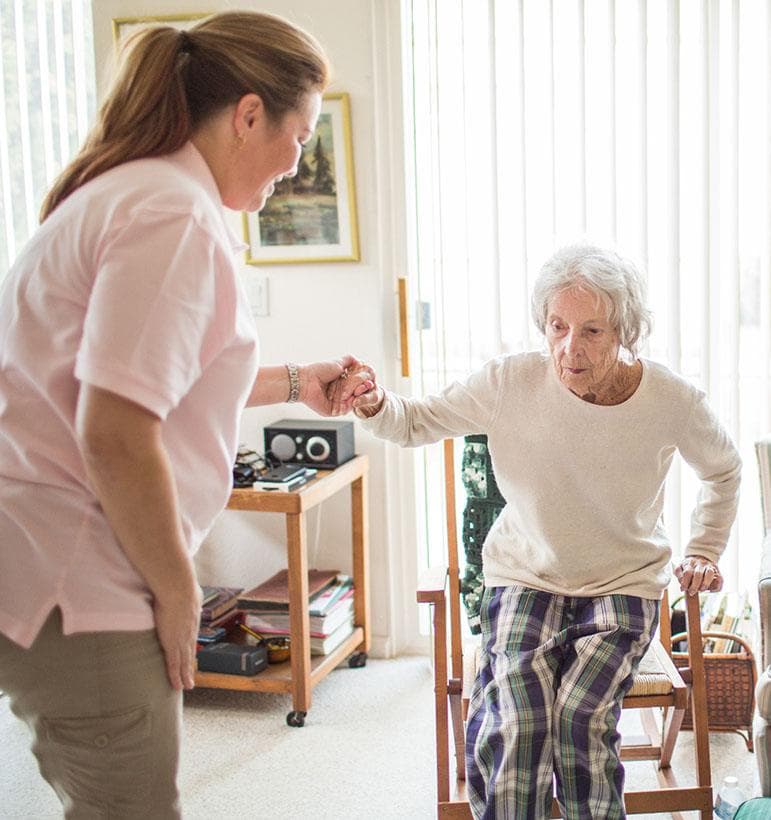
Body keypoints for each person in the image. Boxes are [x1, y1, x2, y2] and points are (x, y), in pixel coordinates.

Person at [0, 11, 372, 818]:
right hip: (84, 576)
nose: (296, 163)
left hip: (47, 555)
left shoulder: (136, 191)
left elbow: (159, 381)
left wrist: (294, 381)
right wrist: (179, 591)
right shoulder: (172, 214)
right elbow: (114, 429)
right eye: (300, 135)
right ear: (247, 115)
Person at [352, 243, 741, 819]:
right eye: (557, 326)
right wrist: (373, 401)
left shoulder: (671, 399)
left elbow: (724, 470)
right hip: (525, 575)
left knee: (580, 718)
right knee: (518, 719)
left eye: (591, 331)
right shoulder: (511, 381)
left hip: (623, 581)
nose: (569, 348)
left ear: (625, 332)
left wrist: (704, 549)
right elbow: (415, 421)